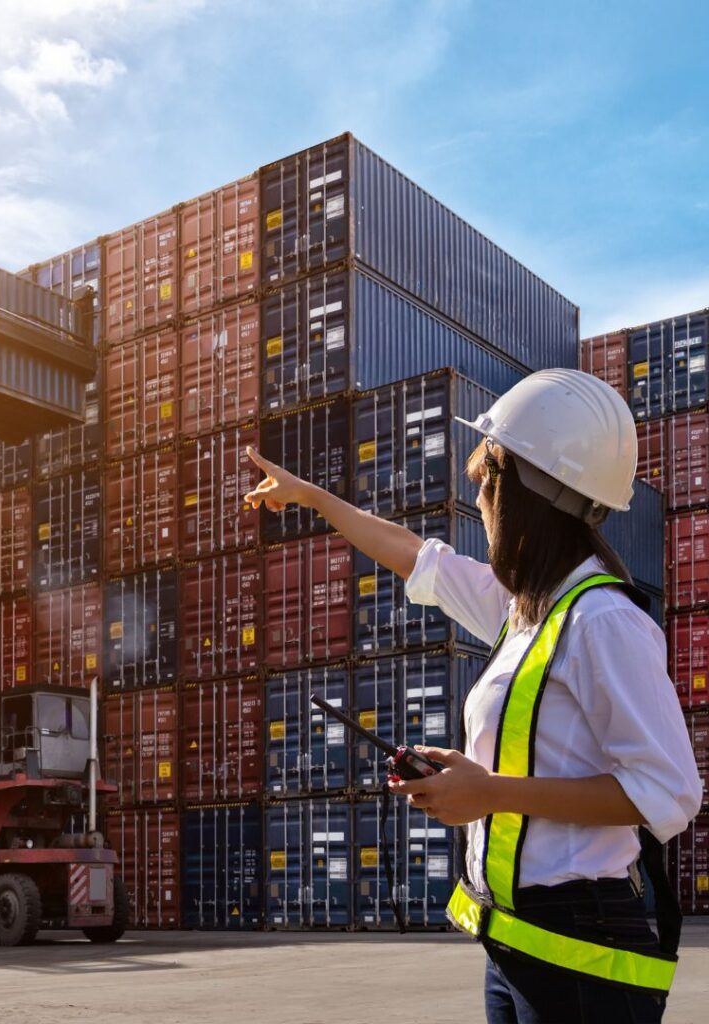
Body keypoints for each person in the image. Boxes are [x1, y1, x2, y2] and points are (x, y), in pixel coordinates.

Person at [245, 368, 701, 1024]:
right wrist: (312, 497)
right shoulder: (525, 609)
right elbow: (414, 555)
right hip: (513, 943)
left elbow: (669, 793)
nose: (478, 496)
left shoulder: (602, 619)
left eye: (486, 478)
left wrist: (488, 792)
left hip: (580, 952)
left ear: (525, 492)